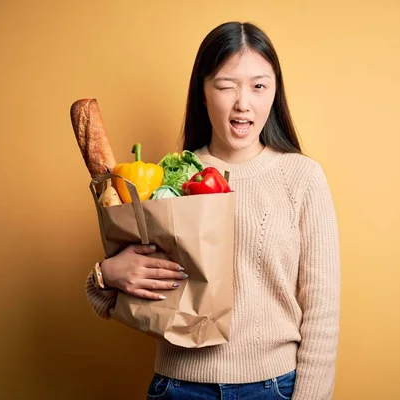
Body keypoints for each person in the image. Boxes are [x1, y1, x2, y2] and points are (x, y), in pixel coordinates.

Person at [85, 21, 341, 400]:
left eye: (259, 86)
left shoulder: (302, 177)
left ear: (274, 93)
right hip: (179, 387)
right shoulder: (166, 177)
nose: (244, 102)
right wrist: (105, 275)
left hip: (274, 389)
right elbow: (123, 294)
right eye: (226, 85)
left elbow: (322, 310)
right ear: (203, 93)